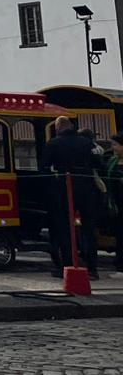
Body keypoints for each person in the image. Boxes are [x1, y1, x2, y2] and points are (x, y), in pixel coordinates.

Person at [41, 115, 103, 278]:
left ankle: (68, 266)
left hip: (63, 189)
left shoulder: (53, 144)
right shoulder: (87, 143)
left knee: (64, 229)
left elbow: (44, 168)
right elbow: (99, 164)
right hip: (87, 189)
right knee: (89, 230)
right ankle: (92, 268)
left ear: (58, 128)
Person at [103, 133, 123, 271]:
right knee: (119, 234)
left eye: (115, 144)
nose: (112, 148)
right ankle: (120, 263)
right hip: (116, 203)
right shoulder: (112, 161)